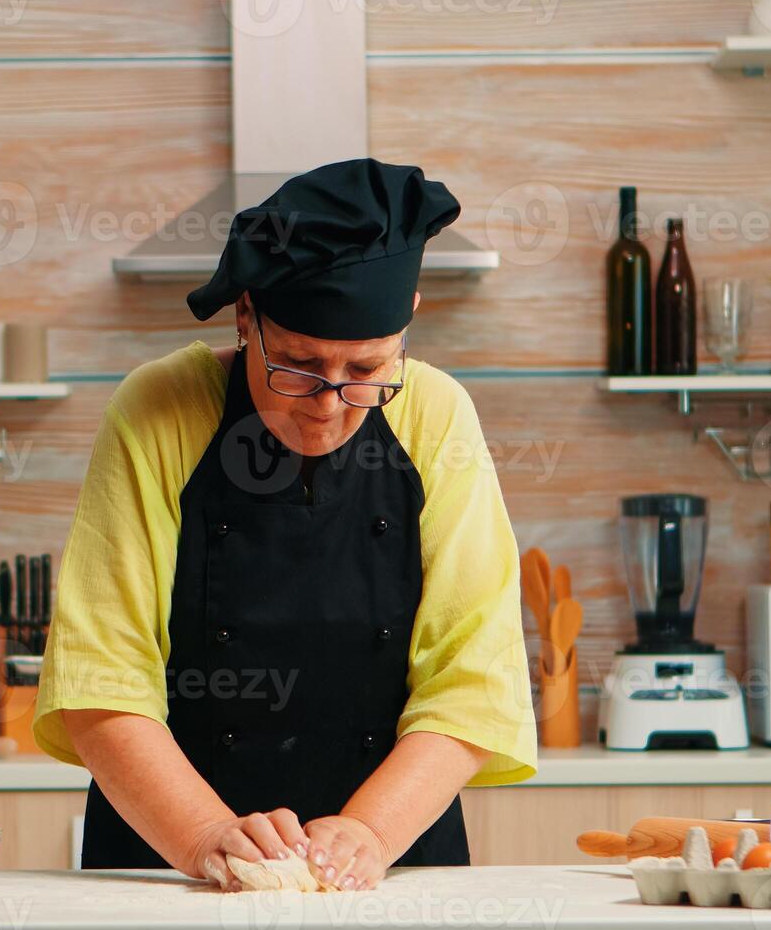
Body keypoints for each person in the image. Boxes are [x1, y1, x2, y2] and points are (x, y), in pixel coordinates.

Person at [34, 158, 535, 891]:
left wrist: (371, 830)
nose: (329, 403)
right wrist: (204, 835)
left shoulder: (436, 414)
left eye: (366, 369)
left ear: (409, 322)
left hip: (389, 859)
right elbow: (100, 677)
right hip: (173, 862)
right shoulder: (161, 409)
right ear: (246, 321)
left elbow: (474, 679)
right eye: (298, 367)